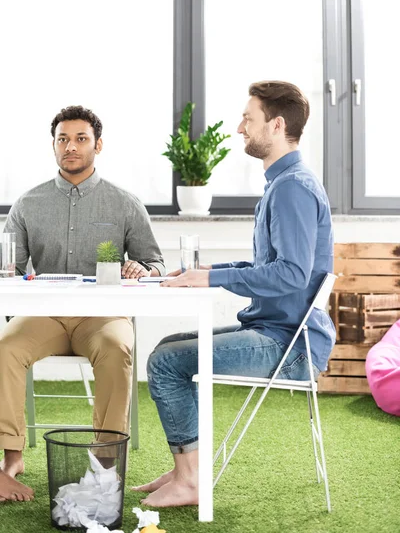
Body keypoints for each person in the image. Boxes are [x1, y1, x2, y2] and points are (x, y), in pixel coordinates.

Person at [132, 80, 335, 508]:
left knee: (166, 361)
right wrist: (206, 271)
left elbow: (292, 274)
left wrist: (210, 280)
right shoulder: (283, 184)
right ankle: (187, 469)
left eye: (249, 117)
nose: (240, 127)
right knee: (170, 346)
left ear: (276, 125)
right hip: (277, 331)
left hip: (289, 346)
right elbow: (269, 269)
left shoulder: (292, 187)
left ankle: (191, 481)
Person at [0, 105, 165, 501]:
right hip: (45, 316)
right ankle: (11, 460)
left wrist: (140, 269)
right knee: (5, 347)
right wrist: (14, 274)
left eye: (80, 138)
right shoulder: (28, 204)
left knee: (117, 347)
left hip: (104, 317)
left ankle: (104, 465)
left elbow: (156, 263)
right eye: (62, 139)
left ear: (98, 144)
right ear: (53, 146)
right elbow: (10, 269)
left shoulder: (125, 203)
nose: (70, 146)